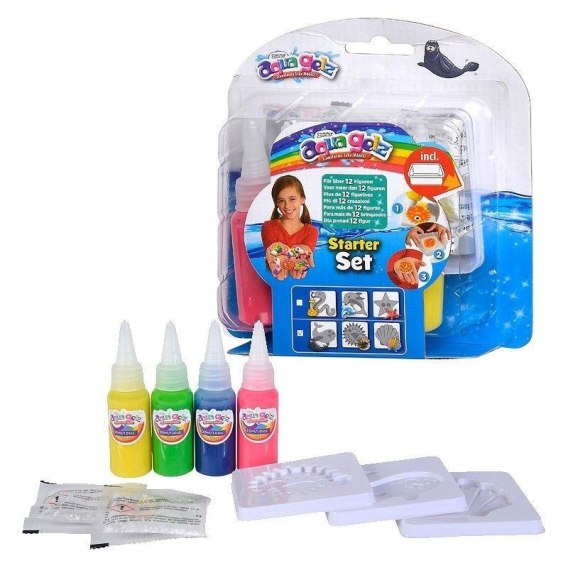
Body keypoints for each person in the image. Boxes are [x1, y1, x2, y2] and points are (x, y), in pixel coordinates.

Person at [261, 175, 318, 280]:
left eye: (292, 199)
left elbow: (303, 256)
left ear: (302, 199)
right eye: (281, 200)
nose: (287, 206)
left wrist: (291, 255)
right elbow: (273, 254)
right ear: (276, 203)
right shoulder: (268, 227)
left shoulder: (312, 231)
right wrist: (283, 254)